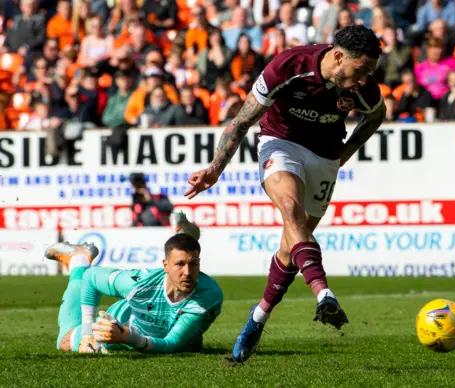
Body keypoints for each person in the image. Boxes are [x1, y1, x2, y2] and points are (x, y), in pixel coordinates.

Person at [184, 25, 385, 363]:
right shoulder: (288, 67)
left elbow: (376, 117)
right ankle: (323, 293)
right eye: (360, 69)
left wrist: (343, 155)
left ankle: (258, 316)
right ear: (338, 57)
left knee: (292, 247)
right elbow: (241, 121)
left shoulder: (361, 89)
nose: (364, 79)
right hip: (281, 143)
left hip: (324, 156)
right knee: (290, 208)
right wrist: (216, 168)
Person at [46, 213, 221, 354]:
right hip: (120, 321)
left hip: (128, 335)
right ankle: (79, 258)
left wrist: (129, 338)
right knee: (64, 341)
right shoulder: (139, 283)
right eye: (180, 265)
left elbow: (172, 344)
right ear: (165, 266)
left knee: (181, 251)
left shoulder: (207, 295)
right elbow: (91, 277)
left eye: (194, 264)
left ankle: (183, 235)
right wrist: (87, 335)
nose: (188, 273)